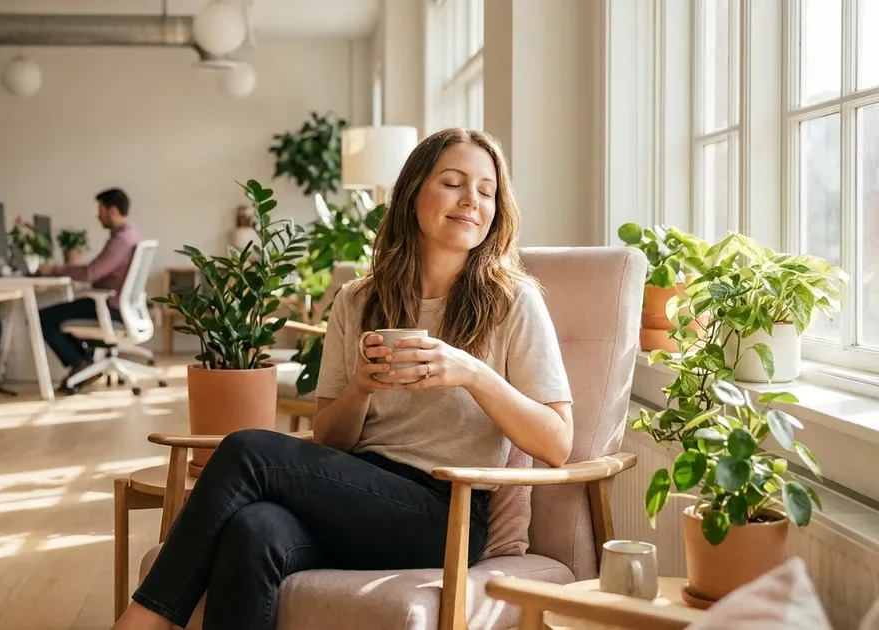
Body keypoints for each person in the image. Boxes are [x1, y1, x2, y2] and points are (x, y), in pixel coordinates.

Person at [114, 128, 575, 630]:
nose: (471, 200)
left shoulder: (513, 302)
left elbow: (556, 443)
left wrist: (472, 373)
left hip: (447, 512)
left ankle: (143, 620)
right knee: (254, 529)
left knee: (246, 450)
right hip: (353, 491)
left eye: (486, 190)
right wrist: (360, 386)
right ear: (413, 193)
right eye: (453, 183)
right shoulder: (359, 300)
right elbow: (331, 440)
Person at [36, 188, 141, 393]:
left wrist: (53, 269)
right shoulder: (131, 233)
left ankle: (80, 364)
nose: (98, 215)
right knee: (61, 312)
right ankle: (85, 364)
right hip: (121, 305)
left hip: (110, 307)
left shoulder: (121, 240)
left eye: (100, 210)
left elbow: (91, 273)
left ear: (112, 211)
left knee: (41, 317)